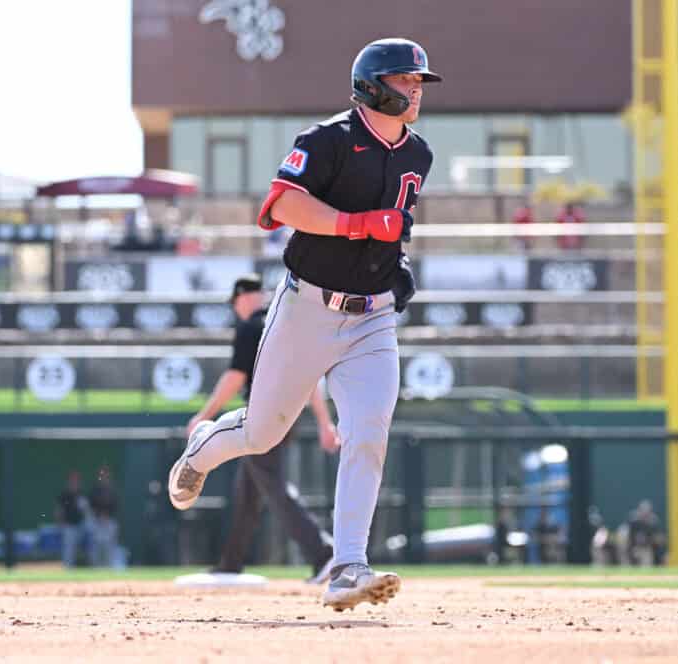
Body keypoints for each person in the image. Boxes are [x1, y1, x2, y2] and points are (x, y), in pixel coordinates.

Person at [168, 37, 439, 612]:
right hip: (306, 308)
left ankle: (346, 567)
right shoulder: (328, 139)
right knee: (263, 433)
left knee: (368, 433)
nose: (414, 90)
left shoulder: (420, 154)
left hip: (373, 318)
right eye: (404, 81)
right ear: (372, 86)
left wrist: (397, 260)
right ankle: (201, 449)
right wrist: (361, 226)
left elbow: (397, 225)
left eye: (418, 82)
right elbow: (281, 205)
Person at [187, 274, 337, 582]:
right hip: (288, 413)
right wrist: (324, 421)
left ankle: (324, 554)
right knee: (248, 492)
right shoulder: (283, 322)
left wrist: (204, 415)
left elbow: (235, 377)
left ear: (242, 297)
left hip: (263, 417)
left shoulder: (252, 326)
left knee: (273, 486)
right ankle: (230, 563)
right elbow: (308, 378)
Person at [56, 471, 90, 568]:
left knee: (88, 546)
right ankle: (68, 569)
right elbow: (59, 511)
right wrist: (60, 524)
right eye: (73, 481)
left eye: (76, 481)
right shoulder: (64, 495)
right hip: (69, 526)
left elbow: (87, 512)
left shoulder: (82, 494)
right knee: (68, 551)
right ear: (69, 482)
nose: (75, 483)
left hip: (81, 526)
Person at [88, 466, 120, 567]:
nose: (104, 477)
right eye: (102, 475)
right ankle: (95, 568)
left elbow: (116, 506)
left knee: (109, 547)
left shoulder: (113, 490)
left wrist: (107, 516)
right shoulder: (95, 490)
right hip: (97, 521)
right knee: (95, 547)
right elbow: (91, 505)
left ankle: (109, 568)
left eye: (106, 475)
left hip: (109, 522)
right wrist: (99, 515)